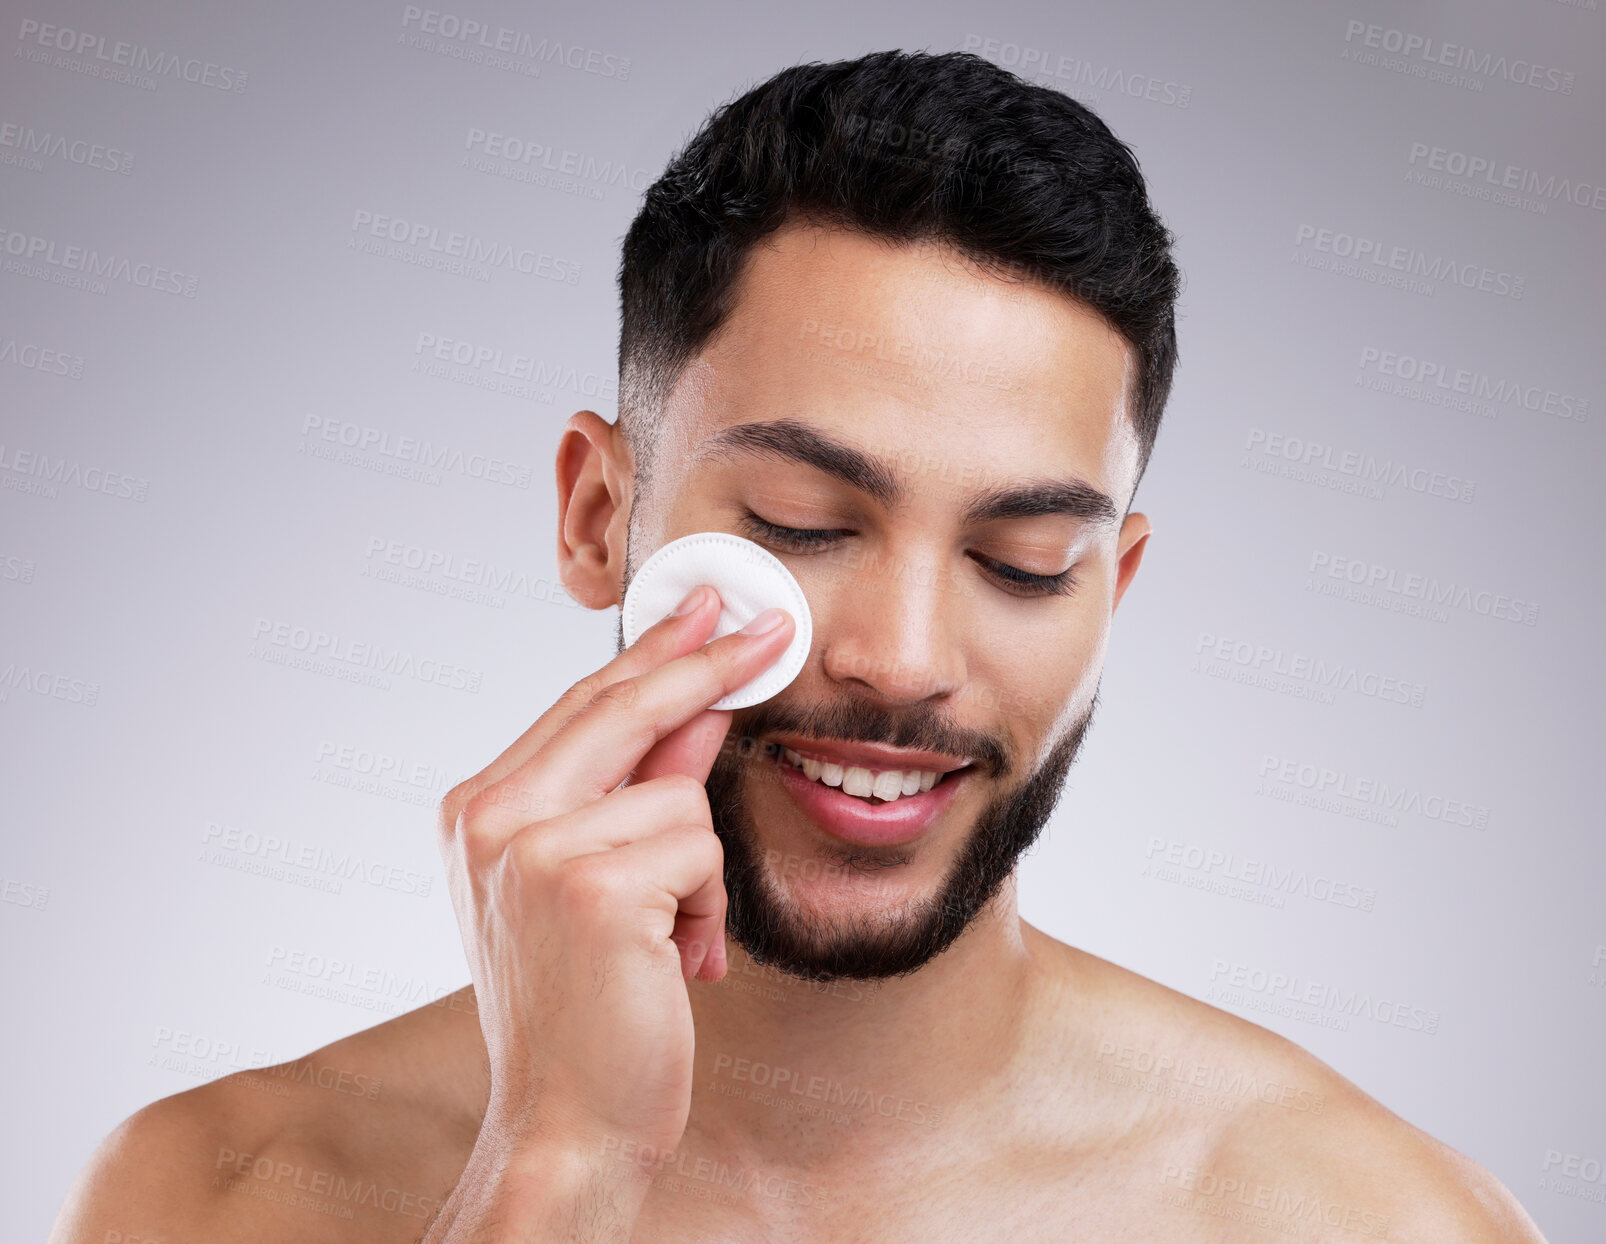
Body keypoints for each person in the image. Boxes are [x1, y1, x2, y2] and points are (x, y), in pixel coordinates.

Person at [51, 49, 1548, 1242]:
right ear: (594, 517)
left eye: (1021, 562)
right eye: (801, 521)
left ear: (1113, 591)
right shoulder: (217, 1198)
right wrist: (560, 1171)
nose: (900, 660)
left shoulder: (1369, 1220)